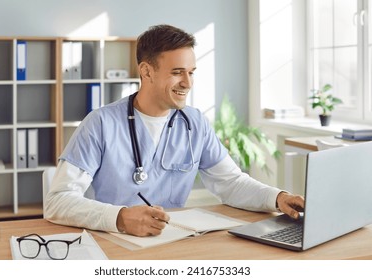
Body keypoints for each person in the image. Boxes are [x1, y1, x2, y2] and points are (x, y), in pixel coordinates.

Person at [45, 24, 304, 237]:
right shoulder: (100, 123)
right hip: (115, 241)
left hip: (172, 239)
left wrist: (276, 197)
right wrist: (120, 217)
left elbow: (231, 183)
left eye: (191, 72)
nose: (188, 83)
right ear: (146, 71)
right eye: (178, 72)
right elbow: (58, 201)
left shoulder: (195, 123)